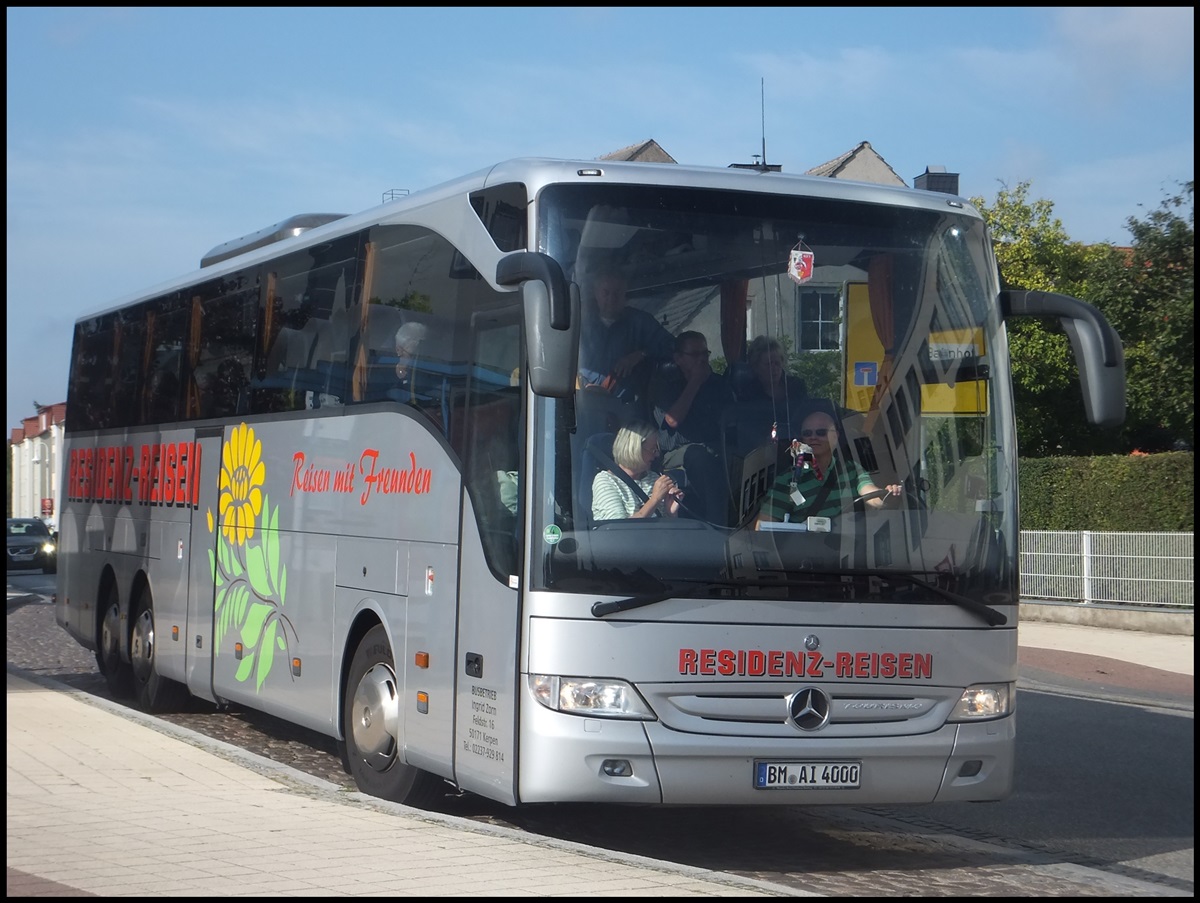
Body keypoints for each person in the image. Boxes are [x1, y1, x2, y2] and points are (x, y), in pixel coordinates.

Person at [755, 408, 902, 527]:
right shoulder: (787, 481)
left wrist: (888, 494)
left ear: (835, 436)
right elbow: (764, 528)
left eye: (821, 432)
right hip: (802, 558)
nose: (813, 437)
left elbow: (870, 493)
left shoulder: (851, 470)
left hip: (847, 553)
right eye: (807, 433)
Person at [648, 331, 736, 523]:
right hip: (677, 451)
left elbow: (732, 419)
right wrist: (695, 382)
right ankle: (717, 524)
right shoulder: (665, 385)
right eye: (695, 355)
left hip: (716, 446)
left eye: (705, 354)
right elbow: (672, 420)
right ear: (678, 358)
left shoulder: (718, 385)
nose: (702, 360)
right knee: (698, 456)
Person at [577, 265, 674, 403]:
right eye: (606, 292)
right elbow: (560, 361)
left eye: (617, 292)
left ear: (625, 294)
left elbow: (673, 347)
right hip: (585, 405)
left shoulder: (641, 322)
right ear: (596, 293)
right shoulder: (579, 324)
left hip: (629, 409)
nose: (612, 299)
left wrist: (640, 354)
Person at [591, 422, 684, 521]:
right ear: (635, 449)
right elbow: (618, 530)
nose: (656, 455)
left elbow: (667, 532)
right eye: (653, 449)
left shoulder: (654, 479)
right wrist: (655, 499)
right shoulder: (606, 481)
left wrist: (671, 514)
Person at [737, 335, 808, 442]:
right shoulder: (748, 395)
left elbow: (806, 418)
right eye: (769, 364)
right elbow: (747, 432)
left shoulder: (796, 387)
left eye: (777, 363)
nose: (774, 368)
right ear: (755, 366)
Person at [389, 321, 429, 403]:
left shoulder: (429, 371)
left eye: (420, 354)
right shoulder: (383, 368)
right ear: (398, 350)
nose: (417, 360)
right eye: (413, 355)